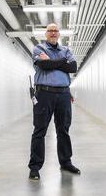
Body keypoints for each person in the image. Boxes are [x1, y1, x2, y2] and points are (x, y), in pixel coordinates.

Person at [28, 23, 80, 180]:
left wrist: (52, 61)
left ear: (59, 34)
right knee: (40, 131)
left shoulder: (66, 50)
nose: (53, 32)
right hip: (44, 94)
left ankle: (66, 162)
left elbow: (73, 67)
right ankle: (35, 167)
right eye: (50, 30)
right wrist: (62, 63)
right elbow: (43, 65)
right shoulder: (38, 48)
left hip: (64, 95)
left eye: (55, 30)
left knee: (63, 130)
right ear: (46, 34)